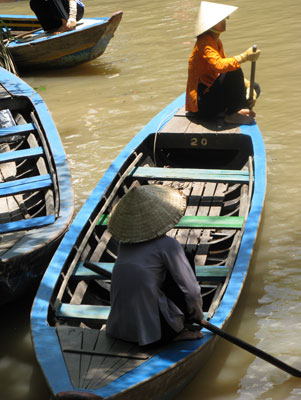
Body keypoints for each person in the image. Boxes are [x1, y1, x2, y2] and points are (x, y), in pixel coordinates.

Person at [106, 185, 204, 347]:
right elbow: (192, 292)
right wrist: (197, 317)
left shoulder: (124, 243)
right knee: (186, 256)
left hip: (118, 328)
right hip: (154, 334)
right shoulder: (168, 245)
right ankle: (175, 332)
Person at [186, 1, 261, 125]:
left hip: (212, 98)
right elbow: (220, 66)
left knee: (255, 86)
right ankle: (231, 114)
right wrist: (244, 57)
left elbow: (224, 68)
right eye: (221, 19)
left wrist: (248, 86)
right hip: (202, 105)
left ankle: (237, 109)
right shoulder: (204, 43)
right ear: (210, 24)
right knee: (234, 69)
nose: (225, 20)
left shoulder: (217, 42)